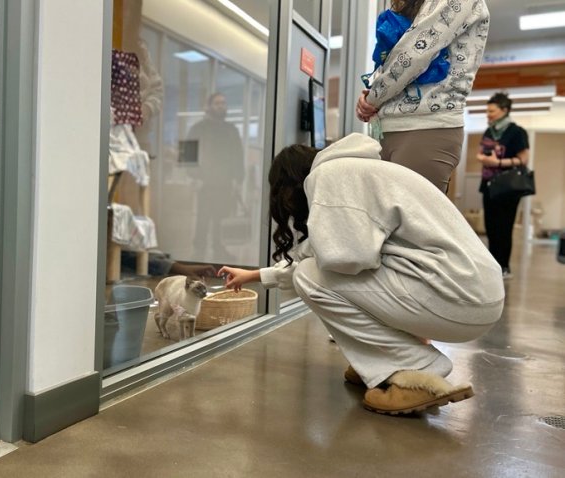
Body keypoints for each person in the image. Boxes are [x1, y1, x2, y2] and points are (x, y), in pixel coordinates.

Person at [218, 133, 504, 415]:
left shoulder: (330, 175)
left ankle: (415, 372)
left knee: (309, 276)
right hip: (470, 293)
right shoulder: (359, 171)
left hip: (456, 296)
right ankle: (379, 361)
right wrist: (254, 275)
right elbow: (342, 255)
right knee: (316, 272)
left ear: (288, 184)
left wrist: (309, 252)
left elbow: (345, 258)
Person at [356, 0, 490, 193]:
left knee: (413, 220)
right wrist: (371, 94)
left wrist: (372, 100)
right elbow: (393, 57)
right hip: (389, 127)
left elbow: (415, 53)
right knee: (388, 219)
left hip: (426, 126)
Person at [477, 92, 530, 279]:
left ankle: (504, 266)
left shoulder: (517, 132)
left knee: (504, 228)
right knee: (491, 228)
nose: (488, 114)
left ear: (504, 110)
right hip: (489, 185)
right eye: (487, 111)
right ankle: (493, 265)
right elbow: (483, 152)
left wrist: (498, 163)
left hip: (508, 187)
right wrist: (483, 159)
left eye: (492, 111)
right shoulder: (489, 131)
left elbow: (523, 159)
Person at [186, 93, 244, 259]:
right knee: (202, 218)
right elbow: (188, 155)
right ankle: (199, 250)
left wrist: (238, 179)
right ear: (209, 106)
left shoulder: (231, 130)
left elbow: (238, 156)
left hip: (225, 182)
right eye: (217, 103)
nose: (221, 106)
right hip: (204, 182)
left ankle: (219, 248)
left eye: (224, 103)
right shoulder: (197, 128)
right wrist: (194, 176)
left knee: (221, 216)